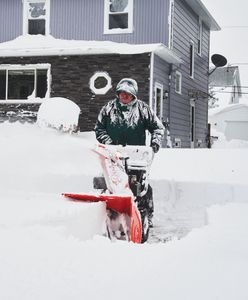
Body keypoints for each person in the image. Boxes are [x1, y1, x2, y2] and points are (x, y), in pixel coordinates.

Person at [95, 78, 165, 227]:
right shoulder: (108, 108)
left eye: (127, 94)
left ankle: (146, 214)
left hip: (137, 156)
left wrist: (154, 144)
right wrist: (108, 143)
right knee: (107, 183)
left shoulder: (143, 109)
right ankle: (104, 213)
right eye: (121, 93)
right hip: (112, 155)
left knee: (140, 186)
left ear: (133, 95)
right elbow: (99, 128)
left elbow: (158, 128)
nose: (124, 97)